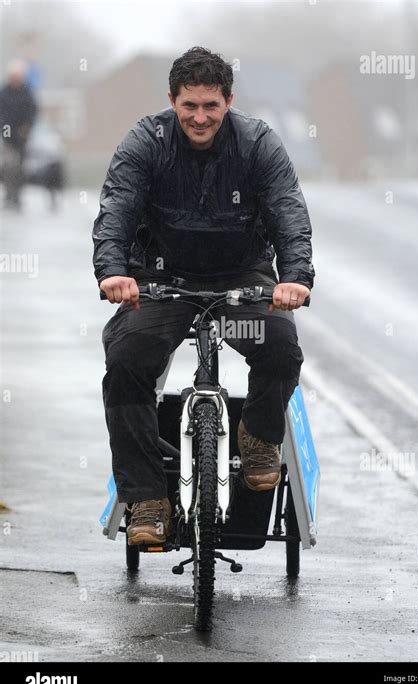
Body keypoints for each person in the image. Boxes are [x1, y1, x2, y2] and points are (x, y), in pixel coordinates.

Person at [92, 47, 315, 546]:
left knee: (279, 345)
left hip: (242, 286)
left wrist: (295, 276)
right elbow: (117, 212)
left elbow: (287, 213)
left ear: (228, 101)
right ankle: (148, 499)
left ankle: (258, 435)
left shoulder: (258, 144)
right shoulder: (144, 143)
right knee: (127, 360)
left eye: (210, 106)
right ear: (171, 100)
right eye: (189, 105)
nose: (199, 117)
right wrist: (112, 272)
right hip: (162, 287)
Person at [0, 59, 38, 210]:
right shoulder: (4, 92)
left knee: (21, 167)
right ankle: (9, 193)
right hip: (7, 136)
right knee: (9, 165)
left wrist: (27, 127)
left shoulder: (27, 93)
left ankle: (17, 195)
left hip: (22, 138)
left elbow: (32, 112)